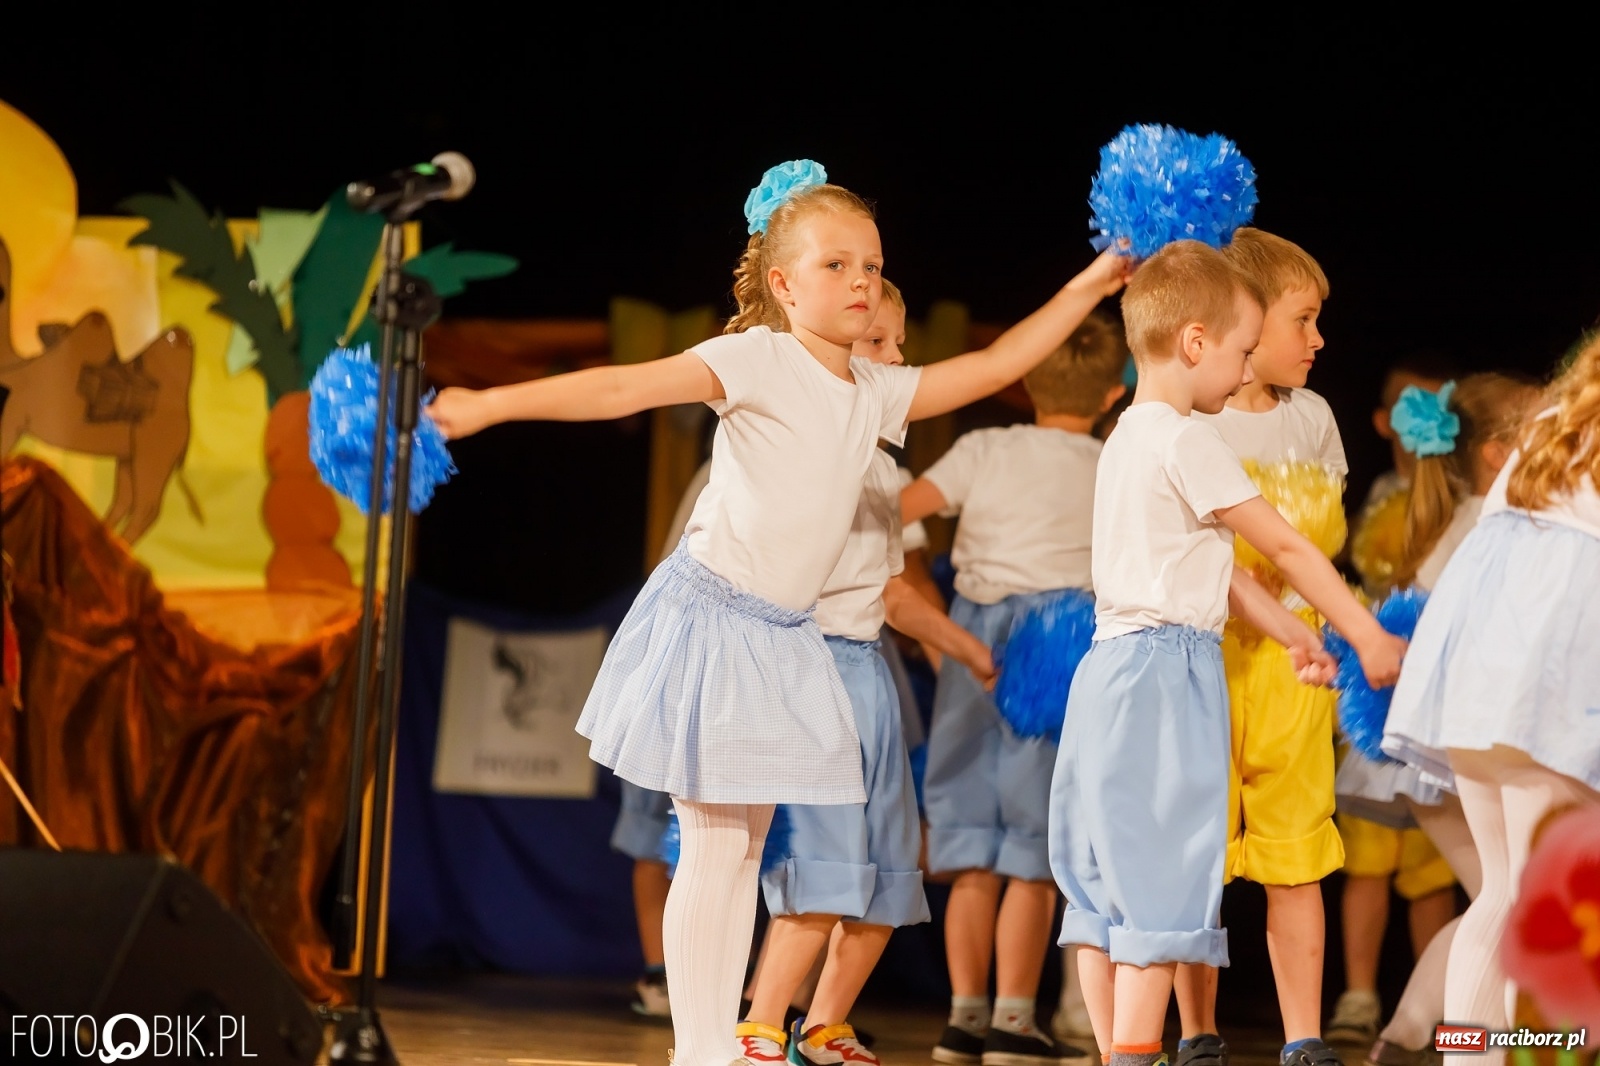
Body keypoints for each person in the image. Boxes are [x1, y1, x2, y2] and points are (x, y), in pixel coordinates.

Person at [427, 161, 1130, 1066]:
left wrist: (1089, 282)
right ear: (784, 284)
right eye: (836, 266)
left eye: (870, 265)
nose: (861, 281)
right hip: (716, 619)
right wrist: (488, 404)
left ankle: (712, 1041)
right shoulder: (754, 359)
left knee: (741, 851)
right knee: (717, 847)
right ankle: (701, 1047)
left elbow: (997, 364)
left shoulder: (875, 393)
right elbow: (619, 389)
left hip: (785, 638)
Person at [1047, 239, 1404, 1066]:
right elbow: (1281, 548)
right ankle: (1137, 1053)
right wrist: (1365, 632)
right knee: (1164, 882)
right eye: (1242, 352)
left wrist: (1290, 633)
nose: (1245, 369)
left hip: (1107, 672)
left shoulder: (1128, 438)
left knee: (1106, 882)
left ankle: (1117, 1053)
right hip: (1168, 674)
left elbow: (1215, 567)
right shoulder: (1186, 438)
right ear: (1197, 344)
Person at [902, 311, 1126, 1066]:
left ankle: (965, 1017)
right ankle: (1013, 1020)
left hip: (974, 634)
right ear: (1111, 397)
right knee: (1033, 843)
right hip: (1060, 639)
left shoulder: (983, 447)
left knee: (968, 838)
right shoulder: (1111, 463)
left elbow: (901, 511)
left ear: (1025, 379)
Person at [1384, 338, 1600, 1058]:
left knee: (1503, 893)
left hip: (1476, 694)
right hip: (1547, 698)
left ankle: (1468, 1057)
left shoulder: (1545, 436)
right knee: (1546, 899)